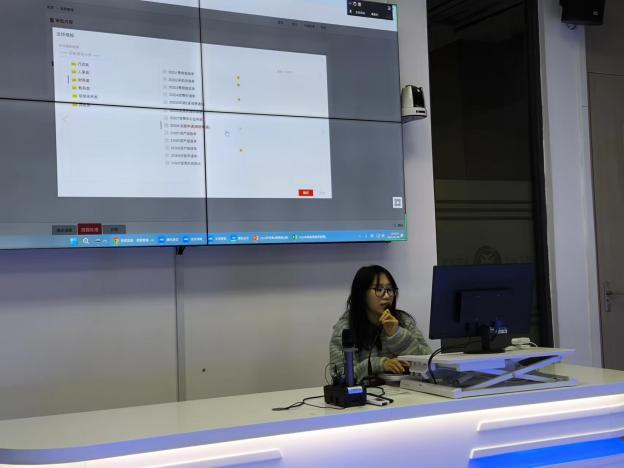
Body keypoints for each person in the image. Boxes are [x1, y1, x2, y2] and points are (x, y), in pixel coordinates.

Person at [329, 265, 431, 384]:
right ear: (362, 294)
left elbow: (430, 363)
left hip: (407, 391)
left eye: (390, 289)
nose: (387, 296)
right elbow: (342, 378)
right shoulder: (345, 330)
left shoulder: (404, 321)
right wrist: (380, 364)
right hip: (367, 394)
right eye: (379, 289)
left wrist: (397, 335)